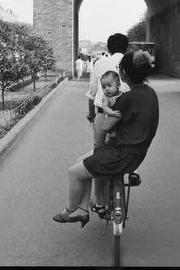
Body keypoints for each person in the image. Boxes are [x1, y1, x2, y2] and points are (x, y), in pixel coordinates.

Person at [53, 50, 159, 227]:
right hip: (137, 153)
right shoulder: (150, 93)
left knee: (74, 172)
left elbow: (106, 126)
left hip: (120, 155)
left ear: (123, 74)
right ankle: (84, 209)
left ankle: (70, 211)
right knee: (82, 161)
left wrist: (106, 110)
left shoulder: (128, 98)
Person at [84, 34, 130, 210]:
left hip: (103, 115)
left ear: (109, 49)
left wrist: (90, 115)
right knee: (125, 150)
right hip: (127, 117)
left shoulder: (100, 63)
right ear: (126, 48)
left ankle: (100, 202)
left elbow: (93, 92)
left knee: (99, 156)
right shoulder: (130, 62)